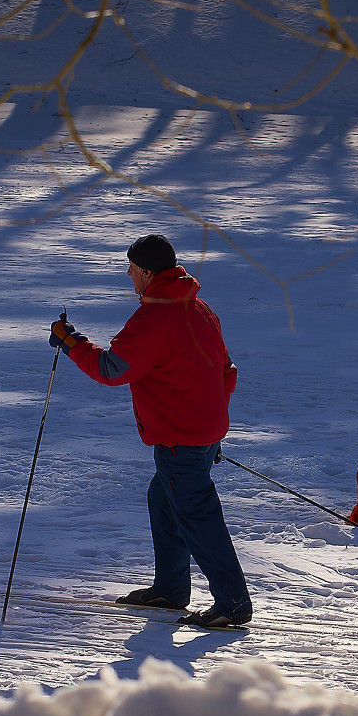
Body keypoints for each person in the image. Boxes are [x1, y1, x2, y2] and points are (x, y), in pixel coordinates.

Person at [48, 234, 252, 628]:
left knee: (198, 517)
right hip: (200, 436)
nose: (128, 274)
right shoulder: (200, 308)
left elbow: (112, 368)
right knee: (164, 500)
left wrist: (70, 343)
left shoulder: (156, 317)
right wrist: (211, 430)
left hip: (181, 439)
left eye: (131, 268)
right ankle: (171, 590)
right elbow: (226, 371)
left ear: (146, 271)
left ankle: (233, 603)